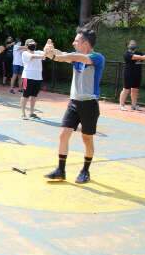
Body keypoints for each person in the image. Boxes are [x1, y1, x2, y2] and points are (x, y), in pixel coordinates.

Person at [43, 28, 105, 184]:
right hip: (74, 102)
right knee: (63, 134)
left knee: (87, 139)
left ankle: (85, 170)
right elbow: (63, 56)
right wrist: (50, 51)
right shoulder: (75, 57)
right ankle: (60, 170)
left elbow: (74, 57)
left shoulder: (97, 58)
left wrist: (57, 55)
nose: (73, 42)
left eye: (76, 40)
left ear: (85, 43)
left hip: (89, 104)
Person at [20, 39, 46, 120]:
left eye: (34, 43)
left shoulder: (39, 52)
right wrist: (43, 55)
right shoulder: (25, 53)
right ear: (27, 45)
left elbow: (46, 53)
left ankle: (31, 113)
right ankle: (23, 113)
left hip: (38, 77)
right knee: (25, 95)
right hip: (27, 77)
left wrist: (48, 47)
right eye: (31, 44)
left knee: (34, 96)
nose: (33, 45)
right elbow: (32, 57)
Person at [119, 40, 145, 111]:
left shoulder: (139, 53)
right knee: (126, 90)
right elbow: (143, 57)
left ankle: (134, 106)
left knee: (135, 90)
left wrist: (143, 56)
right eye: (131, 44)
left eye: (134, 44)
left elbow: (144, 56)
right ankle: (122, 105)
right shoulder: (126, 54)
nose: (133, 45)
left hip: (137, 74)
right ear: (128, 45)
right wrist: (142, 57)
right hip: (128, 74)